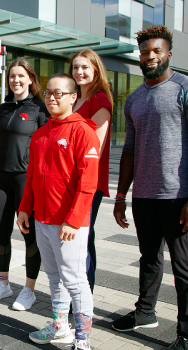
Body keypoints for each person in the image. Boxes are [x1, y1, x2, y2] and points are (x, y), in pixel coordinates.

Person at [111, 26, 188, 350]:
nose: (150, 56)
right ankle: (145, 312)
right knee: (149, 258)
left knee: (184, 266)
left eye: (156, 51)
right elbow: (130, 150)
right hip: (144, 195)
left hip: (178, 197)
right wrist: (121, 195)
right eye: (144, 52)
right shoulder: (136, 98)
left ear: (168, 53)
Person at [17, 73, 100, 350]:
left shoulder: (83, 131)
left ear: (73, 97)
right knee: (54, 277)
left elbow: (89, 184)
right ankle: (60, 326)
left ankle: (82, 339)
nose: (52, 98)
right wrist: (24, 208)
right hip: (41, 219)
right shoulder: (40, 133)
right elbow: (31, 177)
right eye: (48, 94)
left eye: (58, 94)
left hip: (69, 225)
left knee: (76, 281)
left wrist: (73, 221)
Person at [0, 58, 48, 310]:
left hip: (26, 182)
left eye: (20, 76)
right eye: (12, 76)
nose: (16, 80)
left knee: (29, 236)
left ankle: (29, 290)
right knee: (1, 232)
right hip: (1, 180)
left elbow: (46, 149)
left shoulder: (40, 110)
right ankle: (3, 284)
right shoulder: (2, 109)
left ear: (31, 78)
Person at [69, 49, 114, 293]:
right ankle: (74, 295)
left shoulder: (99, 100)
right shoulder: (74, 98)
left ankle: (84, 298)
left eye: (85, 67)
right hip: (67, 181)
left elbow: (95, 148)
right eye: (75, 67)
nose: (79, 72)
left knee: (83, 238)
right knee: (74, 238)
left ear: (96, 69)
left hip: (87, 183)